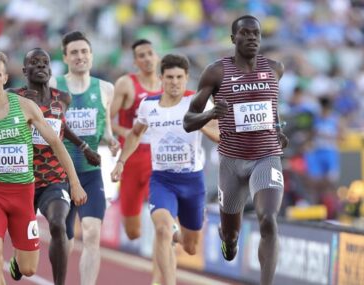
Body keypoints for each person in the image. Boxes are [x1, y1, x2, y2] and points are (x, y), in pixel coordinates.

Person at [0, 50, 87, 285]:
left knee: (28, 269)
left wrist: (75, 183)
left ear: (5, 78)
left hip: (22, 194)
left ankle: (18, 263)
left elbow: (56, 143)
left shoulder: (26, 107)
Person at [183, 15, 288, 285]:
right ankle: (228, 241)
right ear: (233, 39)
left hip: (266, 157)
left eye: (256, 34)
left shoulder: (275, 69)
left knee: (268, 220)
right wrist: (209, 114)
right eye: (245, 33)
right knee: (230, 236)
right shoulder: (216, 72)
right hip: (231, 162)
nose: (252, 38)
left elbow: (269, 108)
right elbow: (188, 121)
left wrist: (277, 130)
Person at [111, 54, 219, 285]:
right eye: (169, 77)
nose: (174, 82)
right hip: (162, 180)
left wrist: (199, 122)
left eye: (180, 77)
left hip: (192, 181)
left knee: (190, 247)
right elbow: (136, 133)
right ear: (161, 78)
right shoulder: (149, 105)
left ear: (187, 78)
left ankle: (178, 235)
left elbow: (219, 135)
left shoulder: (197, 102)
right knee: (161, 229)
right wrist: (121, 161)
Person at [8, 47, 99, 285]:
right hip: (22, 179)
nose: (40, 67)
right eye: (34, 63)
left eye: (44, 63)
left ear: (50, 69)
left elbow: (60, 128)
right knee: (26, 264)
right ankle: (18, 257)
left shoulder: (62, 98)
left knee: (58, 224)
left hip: (54, 178)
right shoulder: (13, 96)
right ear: (25, 70)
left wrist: (84, 148)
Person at [49, 31, 119, 285]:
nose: (80, 57)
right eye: (74, 52)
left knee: (91, 233)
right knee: (63, 237)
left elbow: (105, 129)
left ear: (91, 55)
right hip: (59, 175)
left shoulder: (105, 88)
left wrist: (111, 141)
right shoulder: (54, 86)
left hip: (90, 173)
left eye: (84, 52)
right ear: (66, 57)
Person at [110, 39, 162, 242]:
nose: (147, 58)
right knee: (132, 232)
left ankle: (164, 258)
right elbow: (105, 119)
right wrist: (123, 132)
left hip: (158, 158)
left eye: (150, 53)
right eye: (142, 55)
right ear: (134, 62)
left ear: (157, 56)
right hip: (130, 158)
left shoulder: (167, 84)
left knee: (163, 217)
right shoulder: (126, 83)